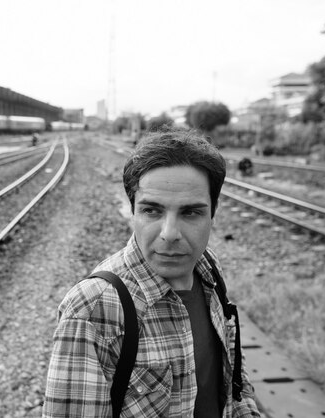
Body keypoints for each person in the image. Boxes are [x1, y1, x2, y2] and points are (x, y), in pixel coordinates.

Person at [43, 129, 260, 417]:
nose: (170, 234)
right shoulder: (93, 309)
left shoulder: (209, 269)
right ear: (133, 211)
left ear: (213, 213)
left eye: (191, 213)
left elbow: (233, 383)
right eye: (152, 211)